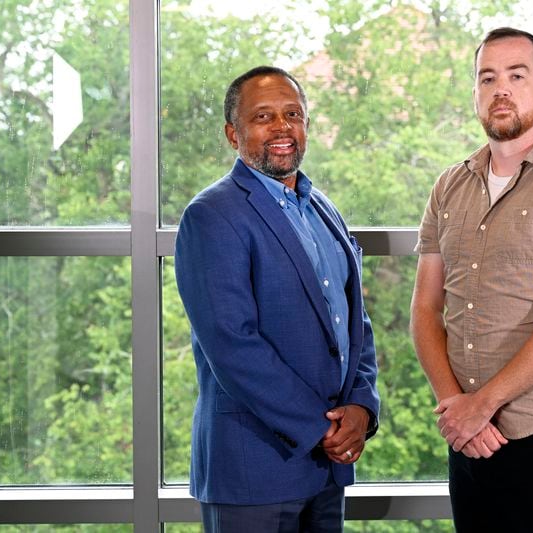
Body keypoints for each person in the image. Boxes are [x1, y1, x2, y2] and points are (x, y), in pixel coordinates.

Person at [410, 27, 533, 532]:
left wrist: (481, 405)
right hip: (469, 434)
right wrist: (457, 408)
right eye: (487, 78)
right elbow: (424, 309)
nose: (500, 88)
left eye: (516, 75)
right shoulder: (449, 185)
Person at [175, 65, 379, 533]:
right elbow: (232, 346)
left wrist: (362, 406)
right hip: (253, 469)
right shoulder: (211, 215)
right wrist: (321, 428)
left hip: (326, 471)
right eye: (263, 117)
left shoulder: (322, 207)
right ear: (233, 133)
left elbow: (353, 322)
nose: (282, 127)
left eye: (293, 114)